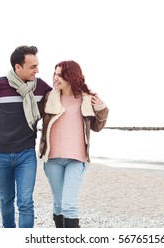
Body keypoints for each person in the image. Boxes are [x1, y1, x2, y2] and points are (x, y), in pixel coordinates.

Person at [0, 45, 52, 228]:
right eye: (32, 67)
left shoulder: (41, 87)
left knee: (25, 203)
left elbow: (59, 100)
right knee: (6, 200)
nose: (37, 70)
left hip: (26, 154)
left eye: (37, 66)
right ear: (17, 67)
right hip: (0, 155)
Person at [39, 60, 109, 228]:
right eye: (55, 74)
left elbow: (98, 126)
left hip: (77, 160)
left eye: (60, 74)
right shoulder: (49, 97)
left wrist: (101, 108)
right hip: (53, 158)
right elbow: (31, 116)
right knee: (58, 204)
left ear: (71, 76)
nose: (56, 78)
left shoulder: (86, 99)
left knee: (68, 205)